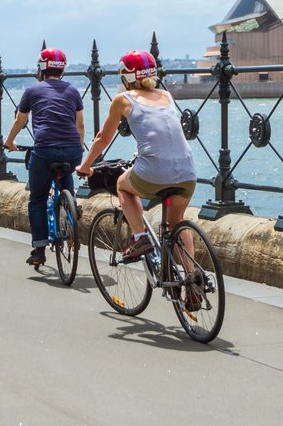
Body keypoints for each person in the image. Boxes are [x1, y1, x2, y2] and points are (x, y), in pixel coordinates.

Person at [76, 50, 201, 305]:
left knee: (124, 186)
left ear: (125, 76)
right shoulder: (166, 95)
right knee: (177, 221)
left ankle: (140, 238)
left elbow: (103, 138)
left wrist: (86, 166)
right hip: (188, 172)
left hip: (154, 171)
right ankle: (192, 278)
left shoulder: (123, 99)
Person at [4, 48, 85, 268]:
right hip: (72, 149)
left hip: (45, 149)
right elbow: (80, 125)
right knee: (66, 172)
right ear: (63, 70)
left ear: (41, 69)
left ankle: (39, 250)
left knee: (38, 199)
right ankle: (71, 207)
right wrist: (79, 149)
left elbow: (20, 121)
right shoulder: (73, 91)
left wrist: (9, 141)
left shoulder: (32, 90)